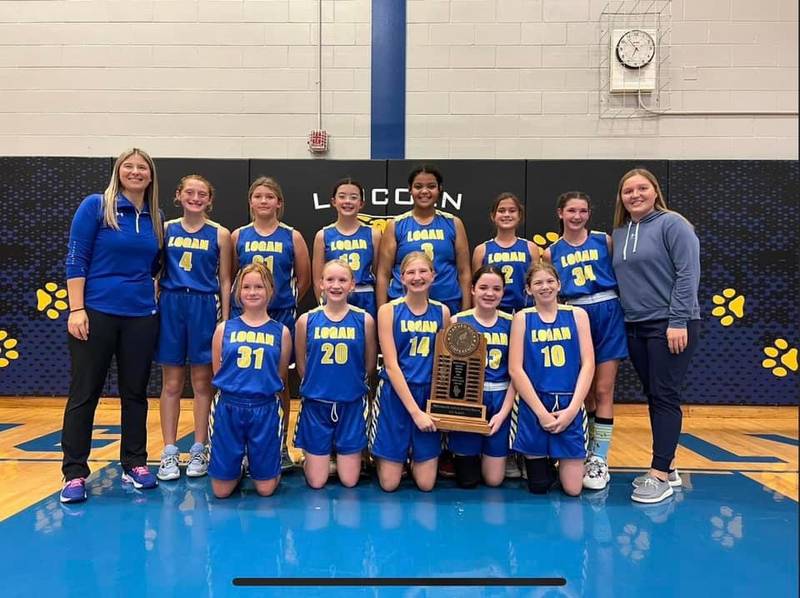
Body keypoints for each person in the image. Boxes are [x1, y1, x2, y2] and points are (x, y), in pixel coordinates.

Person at [60, 148, 164, 504]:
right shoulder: (96, 206)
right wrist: (77, 309)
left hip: (139, 316)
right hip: (96, 312)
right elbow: (76, 257)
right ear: (118, 172)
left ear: (151, 176)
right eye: (128, 166)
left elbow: (153, 267)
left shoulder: (156, 216)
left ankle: (134, 462)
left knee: (134, 393)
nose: (135, 172)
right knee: (84, 392)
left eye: (142, 168)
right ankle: (74, 472)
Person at [612, 168, 700, 504]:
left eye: (642, 188)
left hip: (671, 325)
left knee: (665, 395)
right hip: (635, 325)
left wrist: (678, 320)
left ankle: (660, 474)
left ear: (655, 191)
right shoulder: (620, 233)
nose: (635, 195)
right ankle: (670, 466)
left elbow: (688, 272)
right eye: (628, 190)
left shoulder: (673, 224)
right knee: (654, 394)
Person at [544, 191, 628, 492]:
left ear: (589, 214)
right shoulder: (552, 252)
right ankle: (584, 450)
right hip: (575, 314)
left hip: (607, 311)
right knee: (587, 393)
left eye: (582, 211)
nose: (577, 216)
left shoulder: (604, 241)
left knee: (604, 389)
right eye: (571, 211)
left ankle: (600, 458)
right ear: (560, 214)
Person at [155, 175, 232, 481]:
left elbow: (226, 279)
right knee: (171, 383)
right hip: (172, 305)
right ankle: (170, 451)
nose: (196, 198)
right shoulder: (166, 230)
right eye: (190, 192)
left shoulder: (220, 234)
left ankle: (200, 446)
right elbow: (156, 272)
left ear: (210, 200)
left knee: (203, 383)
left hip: (203, 306)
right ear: (178, 195)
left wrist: (225, 320)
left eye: (202, 194)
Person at [231, 176, 311, 470]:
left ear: (279, 203)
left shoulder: (293, 236)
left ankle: (279, 445)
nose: (263, 201)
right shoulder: (238, 236)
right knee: (242, 381)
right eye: (258, 196)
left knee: (279, 384)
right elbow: (231, 275)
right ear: (250, 202)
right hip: (245, 318)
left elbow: (304, 278)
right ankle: (239, 447)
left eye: (269, 196)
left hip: (279, 317)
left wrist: (281, 300)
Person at [509, 262, 595, 497]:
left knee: (573, 489)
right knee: (538, 487)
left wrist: (573, 410)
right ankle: (542, 463)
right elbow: (516, 369)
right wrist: (541, 413)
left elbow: (588, 364)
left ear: (559, 284)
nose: (544, 287)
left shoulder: (577, 315)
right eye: (538, 282)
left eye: (549, 281)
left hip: (570, 402)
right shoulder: (523, 318)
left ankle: (563, 461)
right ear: (528, 289)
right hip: (534, 404)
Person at [208, 263, 292, 498]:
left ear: (271, 292)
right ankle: (238, 463)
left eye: (259, 286)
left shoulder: (282, 332)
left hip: (264, 408)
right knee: (221, 492)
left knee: (266, 490)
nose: (252, 292)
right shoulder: (223, 329)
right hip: (229, 407)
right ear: (238, 292)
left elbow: (280, 374)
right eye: (246, 287)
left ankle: (260, 462)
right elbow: (218, 372)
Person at [294, 260, 377, 488]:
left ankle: (336, 459)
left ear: (352, 285)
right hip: (316, 403)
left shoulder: (364, 320)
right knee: (317, 482)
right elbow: (302, 364)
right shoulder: (306, 320)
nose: (336, 285)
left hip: (350, 404)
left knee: (349, 481)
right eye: (330, 279)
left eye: (342, 280)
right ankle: (319, 459)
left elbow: (369, 364)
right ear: (321, 284)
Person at [370, 252, 449, 492]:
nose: (417, 277)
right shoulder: (388, 311)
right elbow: (391, 365)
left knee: (426, 485)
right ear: (401, 278)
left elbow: (444, 362)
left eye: (423, 271)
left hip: (428, 394)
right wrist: (416, 413)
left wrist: (441, 407)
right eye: (411, 273)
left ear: (433, 276)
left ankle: (414, 455)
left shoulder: (443, 312)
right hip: (396, 394)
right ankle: (393, 457)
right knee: (389, 484)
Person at [448, 267, 516, 488]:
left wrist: (504, 413)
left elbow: (517, 373)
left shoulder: (513, 322)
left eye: (496, 288)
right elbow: (448, 370)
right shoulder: (458, 320)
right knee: (467, 481)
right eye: (483, 287)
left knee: (494, 480)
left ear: (503, 292)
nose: (489, 293)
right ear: (472, 290)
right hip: (468, 400)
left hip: (500, 397)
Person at [376, 165, 471, 316]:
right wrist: (382, 312)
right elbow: (383, 273)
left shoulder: (453, 223)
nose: (425, 191)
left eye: (431, 186)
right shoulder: (396, 225)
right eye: (418, 186)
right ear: (410, 190)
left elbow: (464, 271)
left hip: (447, 301)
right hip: (404, 305)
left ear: (440, 189)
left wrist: (466, 311)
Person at [312, 178, 381, 319]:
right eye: (342, 196)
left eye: (353, 197)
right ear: (334, 201)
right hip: (334, 297)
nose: (347, 201)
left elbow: (379, 274)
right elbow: (317, 279)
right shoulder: (323, 235)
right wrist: (323, 305)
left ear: (361, 203)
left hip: (365, 297)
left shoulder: (373, 234)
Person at [472, 193, 541, 314]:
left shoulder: (531, 247)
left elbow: (536, 283)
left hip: (524, 310)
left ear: (519, 215)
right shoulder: (481, 250)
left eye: (512, 210)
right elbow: (475, 288)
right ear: (493, 216)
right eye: (501, 211)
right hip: (493, 311)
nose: (507, 215)